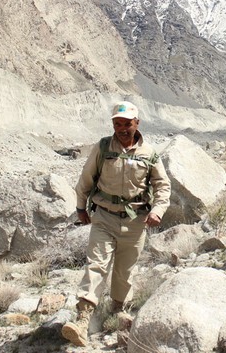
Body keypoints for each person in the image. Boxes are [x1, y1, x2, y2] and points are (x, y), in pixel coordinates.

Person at [62, 101, 171, 347]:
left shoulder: (150, 153)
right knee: (97, 265)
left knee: (125, 271)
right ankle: (83, 318)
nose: (121, 129)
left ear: (137, 124)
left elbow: (162, 185)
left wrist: (159, 210)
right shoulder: (102, 148)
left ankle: (117, 310)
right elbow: (86, 179)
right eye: (117, 124)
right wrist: (81, 207)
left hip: (135, 221)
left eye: (126, 124)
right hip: (104, 217)